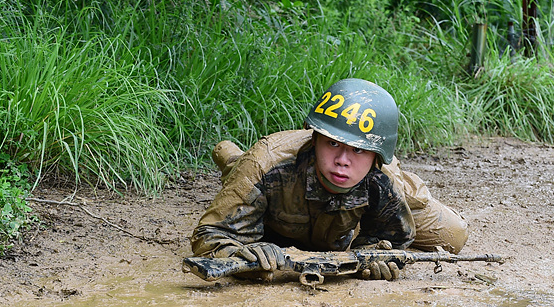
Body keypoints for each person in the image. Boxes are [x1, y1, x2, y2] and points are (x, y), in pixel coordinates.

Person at [191, 78, 468, 280]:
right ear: (315, 138)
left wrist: (374, 255)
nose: (343, 160)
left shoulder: (382, 178)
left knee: (453, 236)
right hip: (276, 170)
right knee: (246, 171)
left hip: (365, 201)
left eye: (359, 150)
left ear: (376, 156)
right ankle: (234, 162)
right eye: (333, 144)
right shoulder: (266, 165)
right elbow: (210, 236)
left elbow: (394, 238)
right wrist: (244, 256)